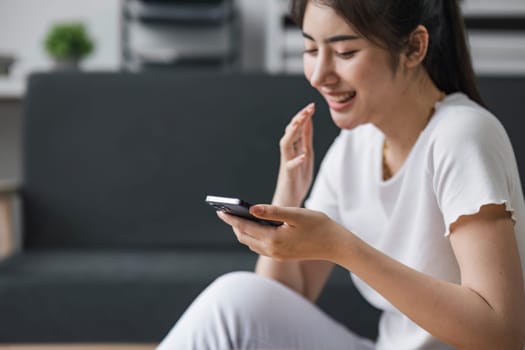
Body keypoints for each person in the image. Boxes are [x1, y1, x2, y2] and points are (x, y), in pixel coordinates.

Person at [157, 0, 525, 349]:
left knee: (234, 298)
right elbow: (274, 303)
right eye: (311, 49)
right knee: (236, 298)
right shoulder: (355, 146)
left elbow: (502, 334)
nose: (319, 76)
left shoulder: (461, 135)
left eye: (345, 52)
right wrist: (287, 198)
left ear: (414, 47)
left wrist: (343, 248)